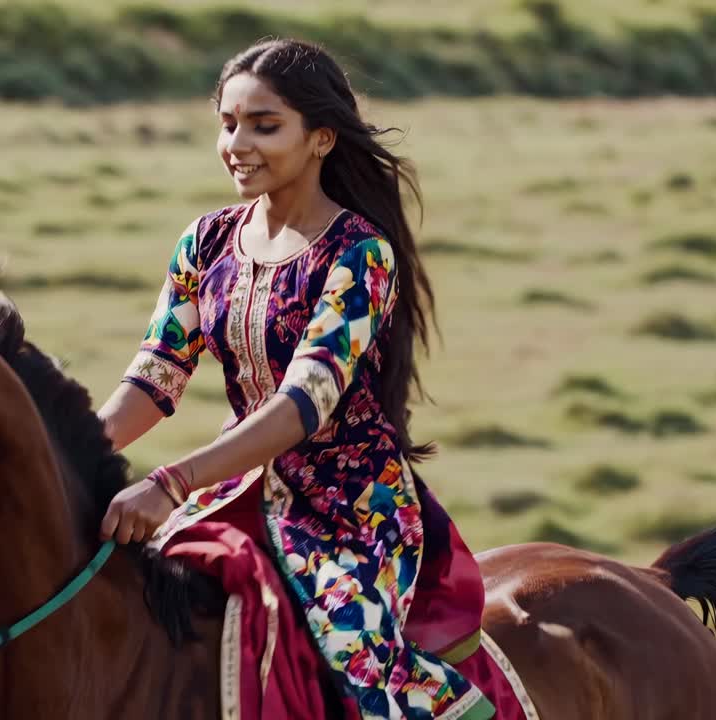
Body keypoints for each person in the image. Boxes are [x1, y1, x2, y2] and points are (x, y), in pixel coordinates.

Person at [97, 39, 494, 720]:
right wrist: (71, 455)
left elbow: (300, 406)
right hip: (235, 493)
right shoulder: (205, 243)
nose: (237, 144)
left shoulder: (361, 255)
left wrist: (168, 483)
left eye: (264, 125)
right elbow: (157, 375)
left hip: (351, 512)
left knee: (354, 653)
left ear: (321, 139)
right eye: (227, 124)